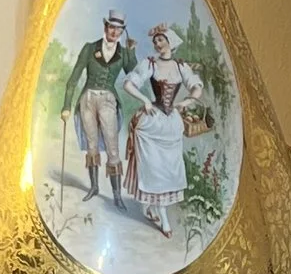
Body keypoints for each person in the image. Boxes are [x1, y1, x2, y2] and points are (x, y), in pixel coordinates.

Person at [120, 24, 204, 236]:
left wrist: (186, 102)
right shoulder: (150, 64)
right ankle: (163, 219)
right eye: (155, 41)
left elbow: (196, 85)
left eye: (160, 40)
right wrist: (145, 100)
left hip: (171, 124)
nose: (157, 44)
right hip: (154, 120)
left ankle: (150, 206)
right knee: (154, 169)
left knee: (168, 170)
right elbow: (129, 84)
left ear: (170, 42)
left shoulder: (180, 66)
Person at [60, 12, 132, 195]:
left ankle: (116, 195)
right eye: (112, 27)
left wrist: (131, 52)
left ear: (123, 31)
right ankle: (94, 187)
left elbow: (134, 74)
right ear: (105, 27)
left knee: (112, 147)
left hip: (108, 99)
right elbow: (74, 77)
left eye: (119, 29)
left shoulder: (123, 53)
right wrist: (67, 106)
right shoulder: (90, 48)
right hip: (88, 99)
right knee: (92, 144)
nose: (115, 32)